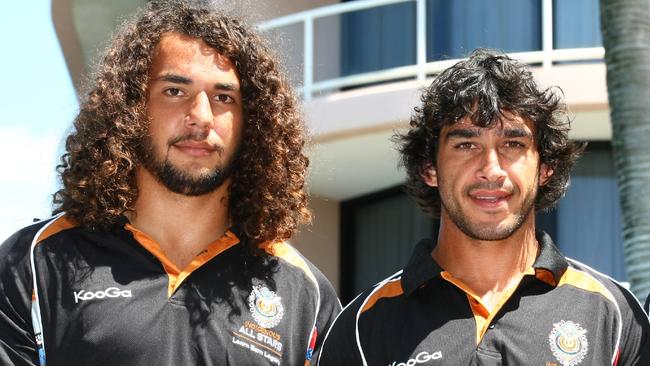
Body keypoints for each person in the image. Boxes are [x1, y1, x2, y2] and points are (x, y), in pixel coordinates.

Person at [0, 1, 341, 365]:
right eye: (174, 91)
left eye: (224, 97)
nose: (201, 117)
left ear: (252, 123)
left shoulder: (305, 293)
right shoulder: (35, 264)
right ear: (130, 108)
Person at [318, 49, 650, 365]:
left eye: (513, 144)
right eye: (466, 144)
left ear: (545, 168)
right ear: (430, 168)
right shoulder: (362, 326)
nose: (491, 169)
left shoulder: (616, 317)